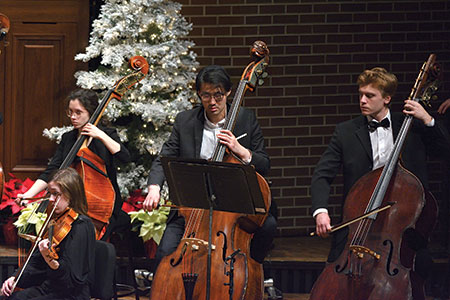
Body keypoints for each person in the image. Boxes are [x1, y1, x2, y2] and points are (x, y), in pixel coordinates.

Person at [311, 67, 450, 296]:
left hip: (399, 225)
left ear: (387, 98)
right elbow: (322, 175)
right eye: (360, 95)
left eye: (370, 95)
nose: (362, 100)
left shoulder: (411, 126)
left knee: (422, 262)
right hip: (358, 223)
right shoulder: (345, 132)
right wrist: (320, 211)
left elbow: (445, 150)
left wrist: (428, 120)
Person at [143, 65, 277, 271]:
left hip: (235, 208)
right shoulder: (185, 121)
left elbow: (264, 164)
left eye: (218, 95)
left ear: (229, 92)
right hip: (194, 208)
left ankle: (253, 275)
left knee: (268, 227)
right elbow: (164, 158)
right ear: (199, 94)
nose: (212, 102)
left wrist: (240, 150)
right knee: (165, 254)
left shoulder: (245, 119)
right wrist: (154, 187)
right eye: (206, 95)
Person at [16, 89, 131, 240]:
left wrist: (100, 135)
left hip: (101, 207)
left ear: (91, 112)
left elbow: (125, 158)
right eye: (70, 112)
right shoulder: (68, 138)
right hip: (69, 203)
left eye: (78, 112)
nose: (73, 117)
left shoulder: (106, 135)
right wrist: (29, 195)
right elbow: (53, 170)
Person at [1, 168, 96, 300]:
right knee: (12, 297)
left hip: (71, 294)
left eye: (56, 194)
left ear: (71, 194)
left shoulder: (81, 226)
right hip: (50, 288)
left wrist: (51, 261)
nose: (51, 199)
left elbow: (72, 280)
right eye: (50, 193)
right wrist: (16, 278)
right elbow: (35, 260)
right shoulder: (55, 220)